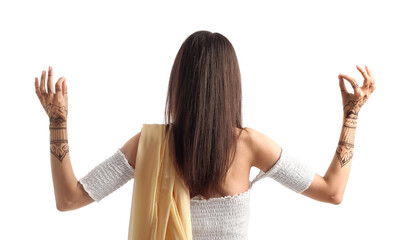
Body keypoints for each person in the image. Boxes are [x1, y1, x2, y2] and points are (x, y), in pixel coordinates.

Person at [34, 30, 376, 239]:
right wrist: (351, 116)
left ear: (178, 85)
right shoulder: (250, 145)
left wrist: (57, 122)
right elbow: (332, 192)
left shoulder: (150, 146)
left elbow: (69, 199)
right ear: (232, 86)